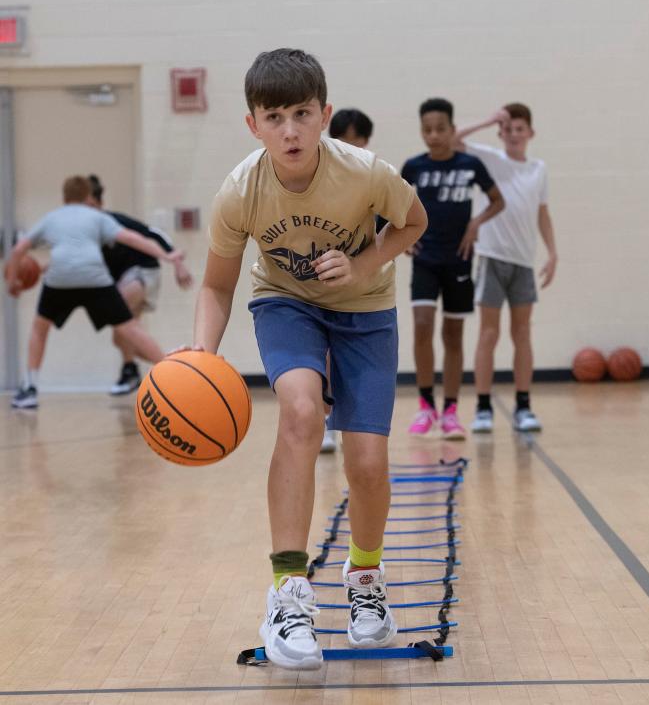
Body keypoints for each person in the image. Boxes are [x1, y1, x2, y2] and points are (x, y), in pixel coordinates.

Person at [188, 49, 426, 668]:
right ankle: (289, 591)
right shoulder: (241, 190)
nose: (289, 130)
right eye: (274, 117)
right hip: (286, 302)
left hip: (365, 309)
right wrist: (200, 358)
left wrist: (365, 262)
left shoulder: (367, 172)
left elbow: (414, 222)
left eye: (301, 113)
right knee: (300, 412)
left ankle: (365, 579)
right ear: (254, 125)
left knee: (368, 462)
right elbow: (217, 285)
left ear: (323, 114)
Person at [4, 175, 182, 408]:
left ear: (64, 197)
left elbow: (18, 250)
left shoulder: (52, 218)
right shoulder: (96, 216)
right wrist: (167, 256)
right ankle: (175, 379)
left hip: (60, 278)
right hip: (94, 277)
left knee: (40, 328)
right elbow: (132, 238)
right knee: (128, 327)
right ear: (88, 196)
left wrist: (11, 283)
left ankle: (29, 389)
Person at [403, 98, 503, 439]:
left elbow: (498, 200)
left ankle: (450, 411)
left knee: (453, 335)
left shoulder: (470, 164)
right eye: (427, 129)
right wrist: (402, 240)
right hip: (426, 260)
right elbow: (390, 207)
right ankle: (425, 405)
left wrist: (475, 225)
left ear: (452, 129)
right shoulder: (413, 167)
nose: (433, 135)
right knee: (421, 324)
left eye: (440, 129)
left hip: (459, 259)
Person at [455, 103, 558, 433]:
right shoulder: (489, 158)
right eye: (509, 129)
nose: (514, 134)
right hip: (491, 257)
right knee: (489, 333)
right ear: (502, 133)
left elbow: (543, 213)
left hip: (523, 262)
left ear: (530, 133)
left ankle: (523, 406)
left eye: (520, 129)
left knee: (522, 333)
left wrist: (552, 253)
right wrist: (488, 119)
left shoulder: (538, 169)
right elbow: (453, 140)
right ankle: (483, 407)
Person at [88, 174, 194, 395]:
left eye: (89, 206)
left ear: (99, 203)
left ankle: (139, 370)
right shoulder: (83, 233)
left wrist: (175, 261)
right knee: (121, 337)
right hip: (125, 278)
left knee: (117, 310)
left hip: (142, 270)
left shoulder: (111, 221)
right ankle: (172, 365)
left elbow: (151, 233)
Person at [319, 108, 375, 452]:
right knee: (322, 349)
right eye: (342, 140)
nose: (349, 147)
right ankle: (326, 421)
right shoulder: (319, 175)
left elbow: (389, 228)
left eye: (356, 141)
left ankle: (354, 423)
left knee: (351, 355)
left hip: (360, 282)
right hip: (323, 273)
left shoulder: (373, 176)